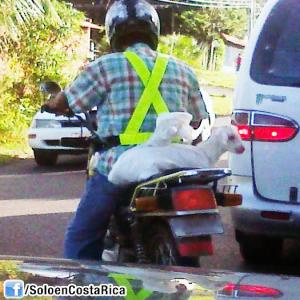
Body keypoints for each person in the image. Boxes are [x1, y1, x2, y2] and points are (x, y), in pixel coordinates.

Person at [42, 0, 208, 260]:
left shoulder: (105, 66)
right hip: (173, 165)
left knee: (82, 235)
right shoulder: (183, 70)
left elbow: (68, 101)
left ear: (113, 32)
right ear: (154, 30)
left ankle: (82, 288)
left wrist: (53, 103)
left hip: (119, 165)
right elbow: (198, 119)